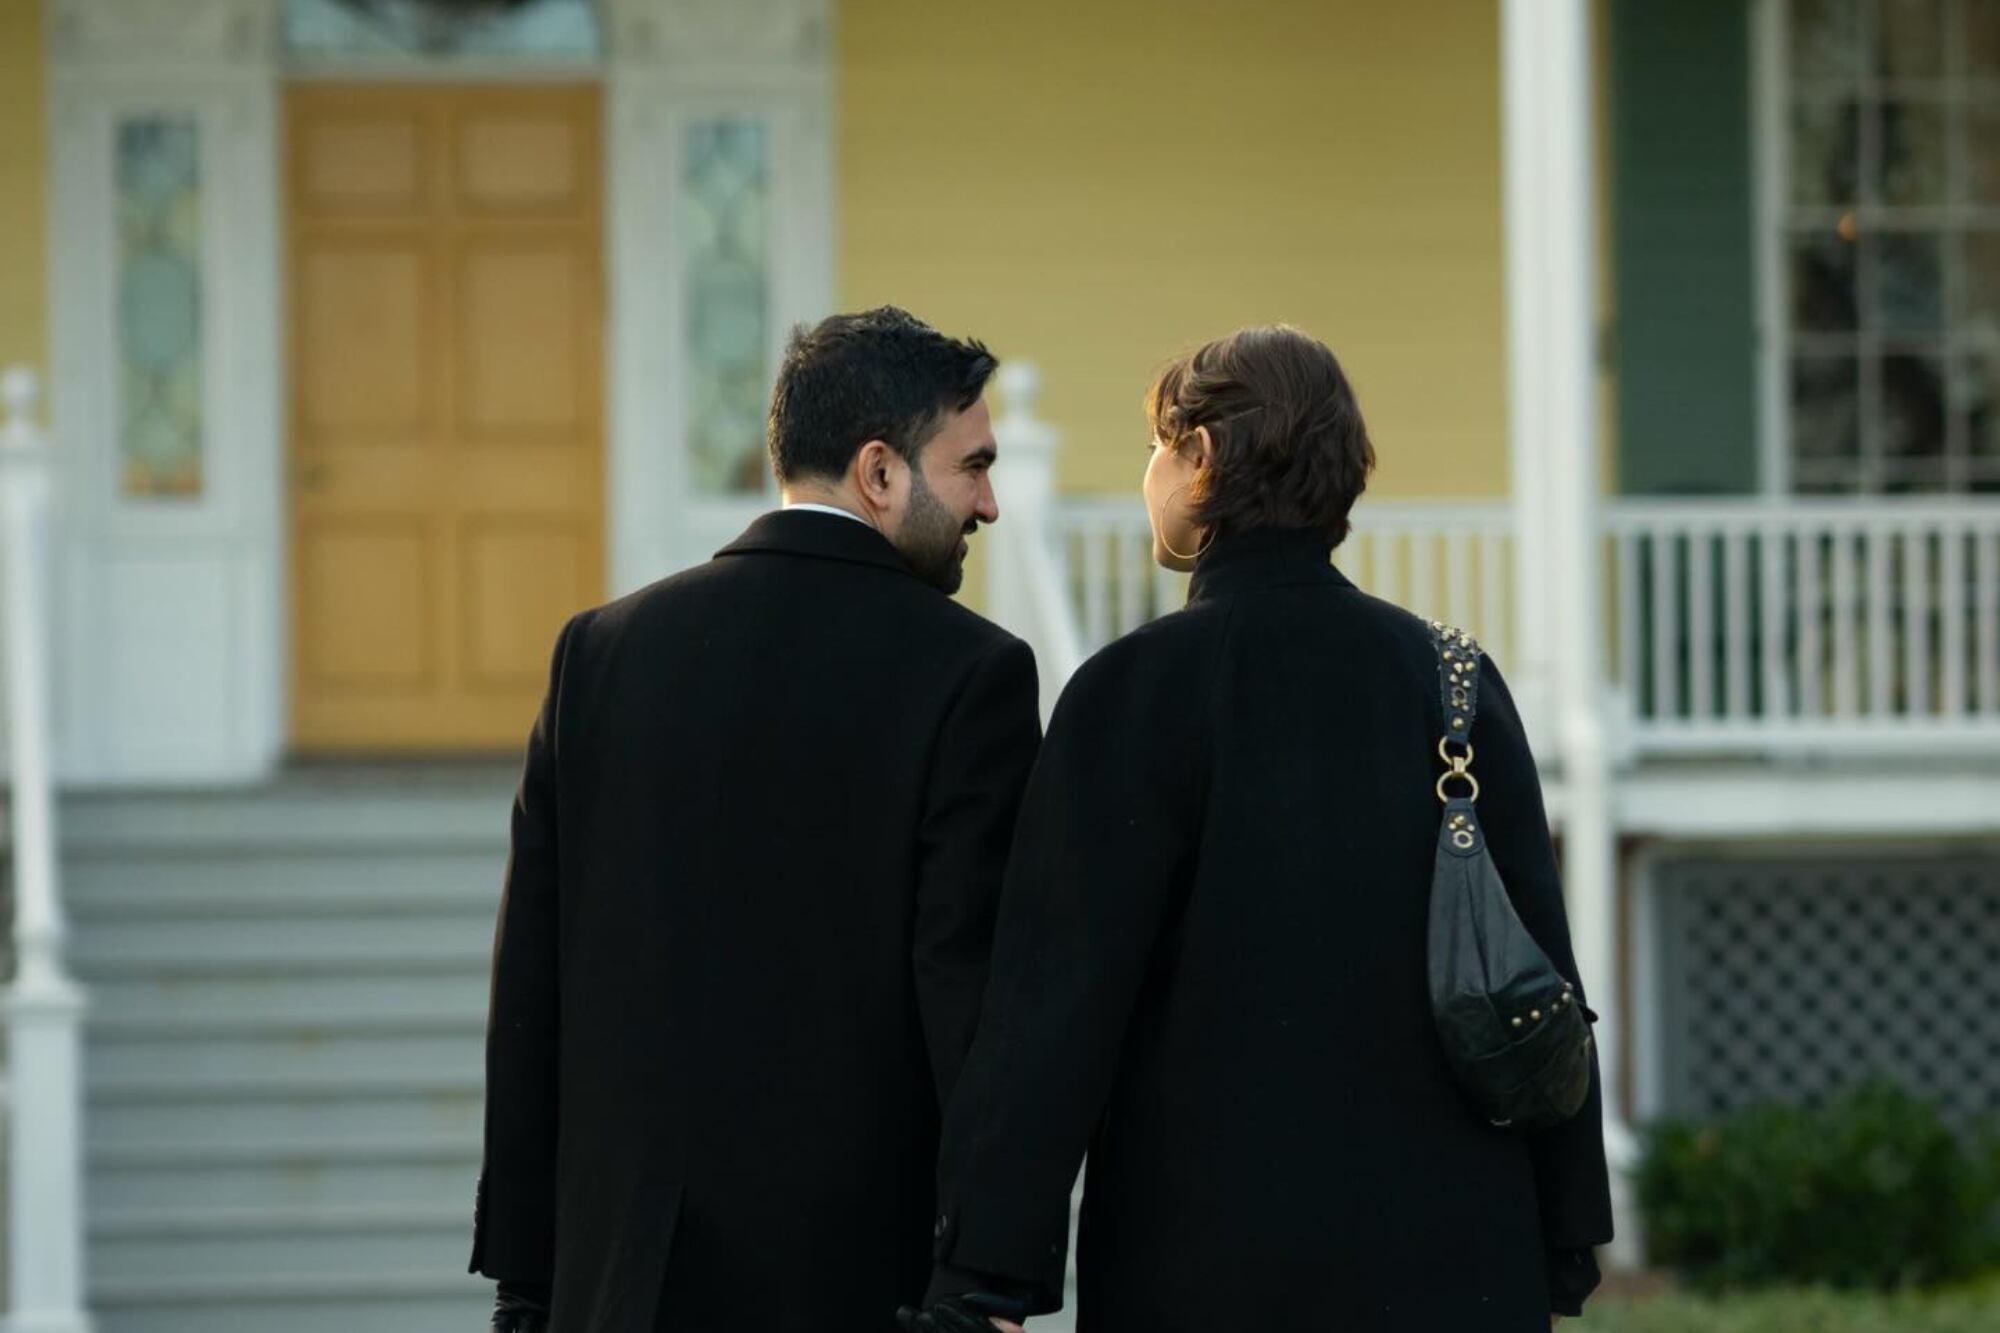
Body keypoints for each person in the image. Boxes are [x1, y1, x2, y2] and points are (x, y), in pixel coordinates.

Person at [901, 326, 1613, 1333]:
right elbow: (1538, 976)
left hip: (1206, 1259)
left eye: (1157, 443)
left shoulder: (1131, 692)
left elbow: (1052, 1009)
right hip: (1456, 1250)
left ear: (1200, 456)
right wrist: (1562, 1230)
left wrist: (985, 1274)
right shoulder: (1451, 680)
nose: (1149, 469)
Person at [471, 307, 1043, 1333]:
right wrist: (985, 1281)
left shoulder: (600, 654)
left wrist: (525, 1286)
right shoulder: (972, 678)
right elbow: (972, 1005)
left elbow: (533, 992)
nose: (989, 504)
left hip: (616, 1289)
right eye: (971, 466)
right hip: (857, 1288)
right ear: (879, 472)